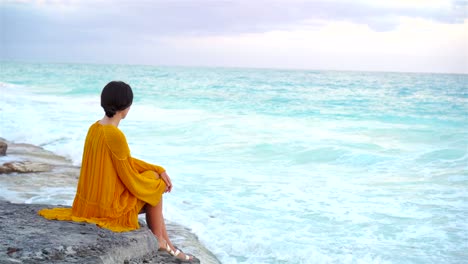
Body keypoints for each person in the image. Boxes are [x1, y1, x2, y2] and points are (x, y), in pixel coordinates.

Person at [39, 81, 197, 263]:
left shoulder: (95, 127)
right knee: (154, 186)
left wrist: (157, 169)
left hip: (90, 204)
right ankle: (162, 241)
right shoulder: (115, 135)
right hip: (107, 208)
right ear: (126, 107)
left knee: (153, 178)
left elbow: (123, 161)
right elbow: (128, 175)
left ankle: (166, 243)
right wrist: (158, 180)